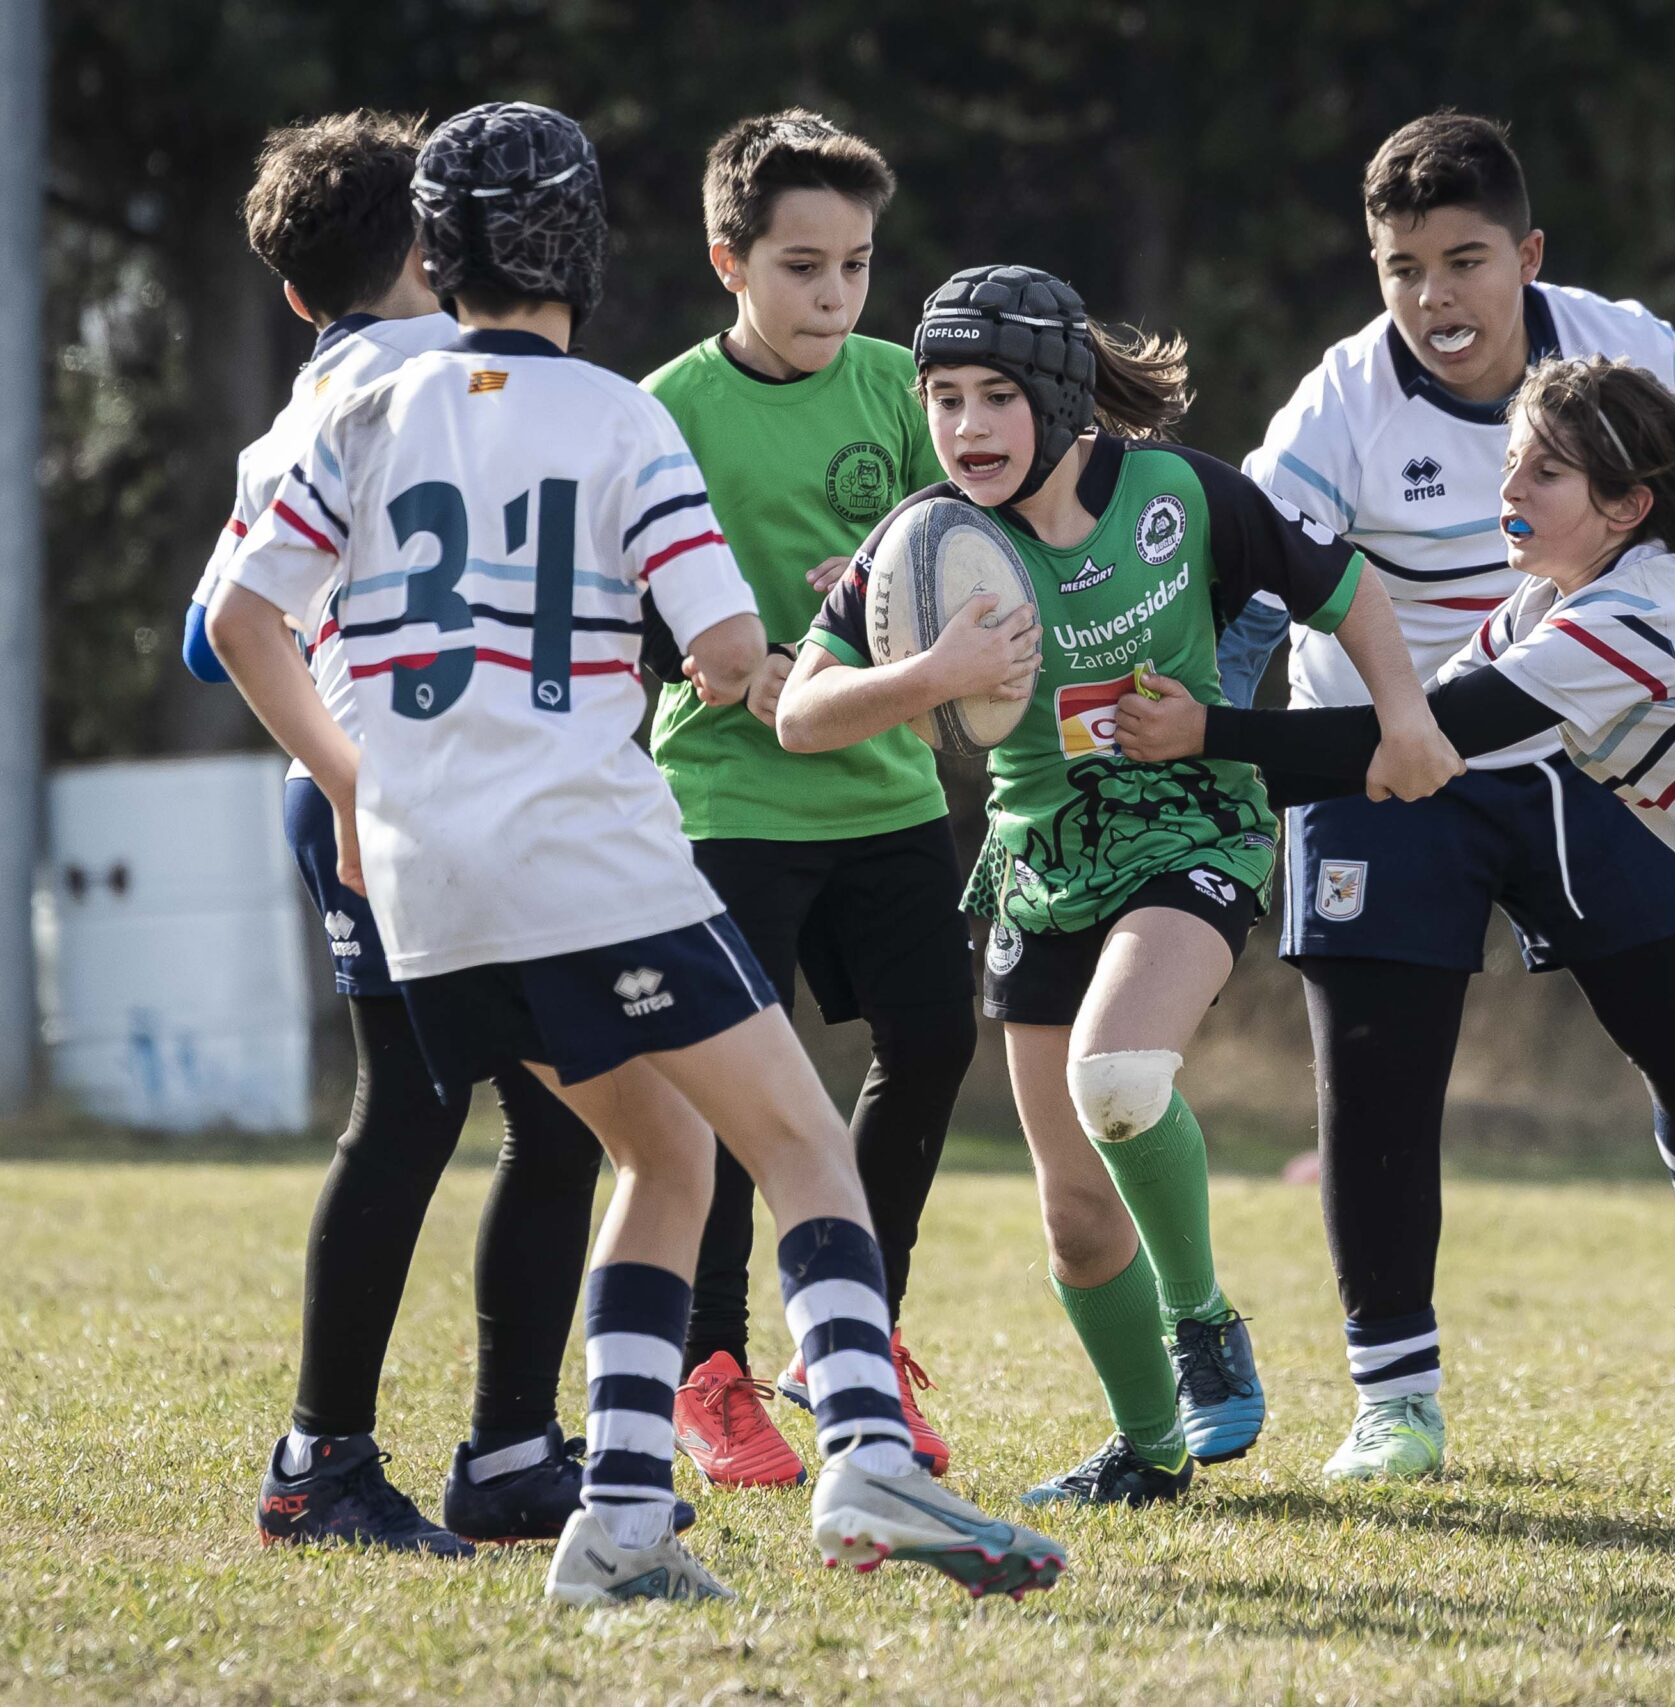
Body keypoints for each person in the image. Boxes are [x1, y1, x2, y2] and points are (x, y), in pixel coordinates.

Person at [209, 102, 1066, 1605]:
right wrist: (856, 623)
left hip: (427, 885)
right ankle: (871, 1458)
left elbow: (237, 618)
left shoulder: (357, 410)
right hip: (587, 857)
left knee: (655, 1152)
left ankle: (615, 1524)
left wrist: (348, 779)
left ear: (436, 246)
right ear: (587, 250)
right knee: (798, 1142)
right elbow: (734, 657)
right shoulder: (622, 415)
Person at [1118, 353, 1675, 1509]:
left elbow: (1423, 736)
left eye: (1549, 471)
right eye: (1512, 460)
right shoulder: (1545, 606)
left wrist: (1205, 739)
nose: (1511, 487)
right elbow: (1407, 750)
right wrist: (1206, 775)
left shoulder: (1633, 614)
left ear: (1627, 508)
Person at [1210, 112, 1675, 1482]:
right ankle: (1396, 1398)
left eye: (1466, 259)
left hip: (1602, 743)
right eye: (1403, 266)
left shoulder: (1622, 352)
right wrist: (1211, 767)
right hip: (1382, 754)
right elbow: (1250, 592)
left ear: (1528, 255)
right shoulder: (1336, 409)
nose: (1435, 296)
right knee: (1373, 1079)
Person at [776, 265, 1458, 1505]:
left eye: (993, 396)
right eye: (940, 398)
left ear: (1057, 396)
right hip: (1041, 859)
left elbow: (1348, 592)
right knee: (1077, 1222)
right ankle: (1148, 1452)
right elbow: (806, 715)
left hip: (1192, 819)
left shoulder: (1182, 495)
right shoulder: (927, 540)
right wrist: (931, 671)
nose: (966, 427)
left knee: (1121, 1076)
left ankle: (1200, 1321)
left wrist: (1403, 717)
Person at [179, 110, 609, 1555]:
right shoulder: (474, 371)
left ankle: (497, 1455)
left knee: (523, 1109)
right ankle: (348, 1460)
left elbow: (208, 634)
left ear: (295, 295)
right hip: (416, 787)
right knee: (500, 1112)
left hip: (359, 781)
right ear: (442, 243)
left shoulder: (307, 407)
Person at [640, 112, 969, 1487]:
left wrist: (898, 590)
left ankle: (852, 1334)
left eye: (856, 265)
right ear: (730, 261)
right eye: (801, 267)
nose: (835, 296)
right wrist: (733, 659)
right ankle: (707, 1369)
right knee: (727, 1099)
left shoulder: (903, 385)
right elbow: (626, 599)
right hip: (724, 795)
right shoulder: (662, 409)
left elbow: (961, 545)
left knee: (937, 1043)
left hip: (884, 785)